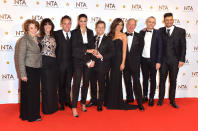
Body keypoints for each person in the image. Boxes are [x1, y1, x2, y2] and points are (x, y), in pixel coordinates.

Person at [106, 18, 138, 110]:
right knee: (110, 80)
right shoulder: (109, 35)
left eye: (121, 25)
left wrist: (123, 63)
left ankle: (116, 102)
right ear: (114, 25)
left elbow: (124, 51)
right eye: (118, 24)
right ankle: (110, 101)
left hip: (118, 61)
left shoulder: (123, 35)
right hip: (109, 61)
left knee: (116, 79)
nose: (120, 26)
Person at [158, 13, 186, 108]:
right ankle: (161, 100)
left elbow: (183, 46)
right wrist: (144, 30)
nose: (169, 21)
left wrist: (182, 59)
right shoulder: (160, 31)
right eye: (167, 20)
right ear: (164, 21)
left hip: (175, 61)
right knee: (162, 81)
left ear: (173, 20)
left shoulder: (181, 31)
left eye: (170, 20)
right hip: (163, 61)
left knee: (173, 81)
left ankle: (172, 100)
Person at [18, 19, 42, 122]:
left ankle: (32, 114)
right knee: (29, 94)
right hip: (28, 69)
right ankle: (31, 116)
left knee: (35, 93)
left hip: (37, 69)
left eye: (35, 27)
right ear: (27, 29)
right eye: (31, 28)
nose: (34, 29)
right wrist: (23, 74)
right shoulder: (24, 40)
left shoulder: (38, 38)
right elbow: (20, 57)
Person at [87, 20, 114, 111]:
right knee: (93, 84)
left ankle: (100, 103)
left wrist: (102, 56)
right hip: (92, 65)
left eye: (102, 27)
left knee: (101, 85)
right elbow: (89, 51)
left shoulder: (108, 39)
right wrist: (89, 61)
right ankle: (93, 100)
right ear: (96, 28)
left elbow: (111, 53)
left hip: (103, 66)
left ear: (104, 28)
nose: (100, 29)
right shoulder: (92, 38)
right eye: (99, 27)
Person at [71, 14, 94, 117]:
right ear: (78, 21)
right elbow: (74, 49)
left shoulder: (90, 32)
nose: (83, 23)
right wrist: (86, 50)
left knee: (86, 83)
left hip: (88, 60)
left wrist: (93, 60)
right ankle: (74, 107)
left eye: (85, 21)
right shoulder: (74, 33)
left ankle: (83, 103)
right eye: (81, 21)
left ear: (87, 21)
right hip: (77, 61)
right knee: (76, 84)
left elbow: (93, 47)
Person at [139, 16, 163, 106]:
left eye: (153, 22)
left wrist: (158, 61)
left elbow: (160, 48)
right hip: (143, 60)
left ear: (155, 24)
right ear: (146, 22)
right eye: (149, 21)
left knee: (153, 80)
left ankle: (151, 97)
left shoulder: (158, 33)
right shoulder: (141, 32)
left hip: (154, 61)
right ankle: (144, 96)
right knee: (145, 79)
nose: (151, 23)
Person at [122, 18, 144, 111]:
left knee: (137, 83)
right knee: (127, 82)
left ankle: (140, 102)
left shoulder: (140, 36)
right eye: (129, 24)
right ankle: (130, 98)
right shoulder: (122, 36)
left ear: (135, 26)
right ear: (126, 25)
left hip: (135, 64)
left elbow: (141, 50)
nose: (131, 26)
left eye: (133, 24)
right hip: (125, 64)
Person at [39, 18, 58, 114]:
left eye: (49, 24)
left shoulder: (54, 36)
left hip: (54, 62)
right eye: (45, 24)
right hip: (44, 61)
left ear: (52, 26)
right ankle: (47, 109)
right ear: (43, 27)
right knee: (46, 86)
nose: (47, 26)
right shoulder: (39, 37)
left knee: (53, 86)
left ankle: (54, 107)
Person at [54, 15, 73, 110]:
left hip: (70, 66)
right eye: (65, 24)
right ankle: (61, 102)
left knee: (68, 84)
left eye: (69, 23)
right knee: (60, 85)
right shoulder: (56, 34)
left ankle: (67, 101)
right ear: (61, 24)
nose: (67, 26)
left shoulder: (74, 34)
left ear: (71, 24)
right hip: (59, 65)